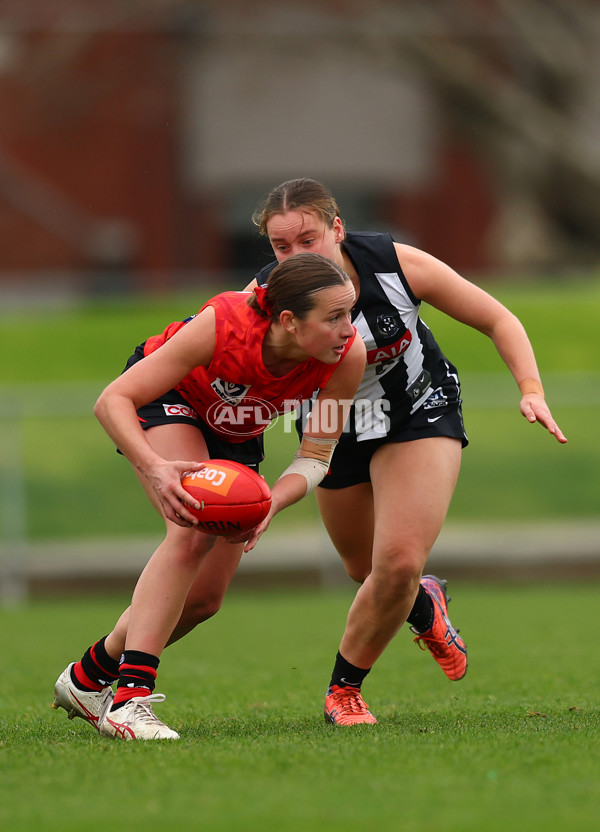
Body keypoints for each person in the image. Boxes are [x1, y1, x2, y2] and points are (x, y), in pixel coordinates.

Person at [249, 178, 567, 726]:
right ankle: (425, 603)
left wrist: (531, 390)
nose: (296, 256)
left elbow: (498, 318)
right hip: (333, 422)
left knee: (394, 563)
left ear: (338, 229)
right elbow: (238, 368)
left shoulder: (393, 264)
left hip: (418, 408)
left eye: (310, 240)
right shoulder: (266, 301)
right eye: (282, 247)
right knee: (364, 569)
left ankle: (344, 691)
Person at [52, 251, 366, 740]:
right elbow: (112, 400)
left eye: (351, 312)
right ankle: (129, 701)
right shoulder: (224, 323)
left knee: (203, 600)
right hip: (168, 399)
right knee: (192, 533)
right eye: (334, 317)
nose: (349, 329)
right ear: (288, 320)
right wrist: (153, 467)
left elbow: (316, 456)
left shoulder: (347, 356)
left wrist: (271, 502)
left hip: (234, 432)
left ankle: (90, 677)